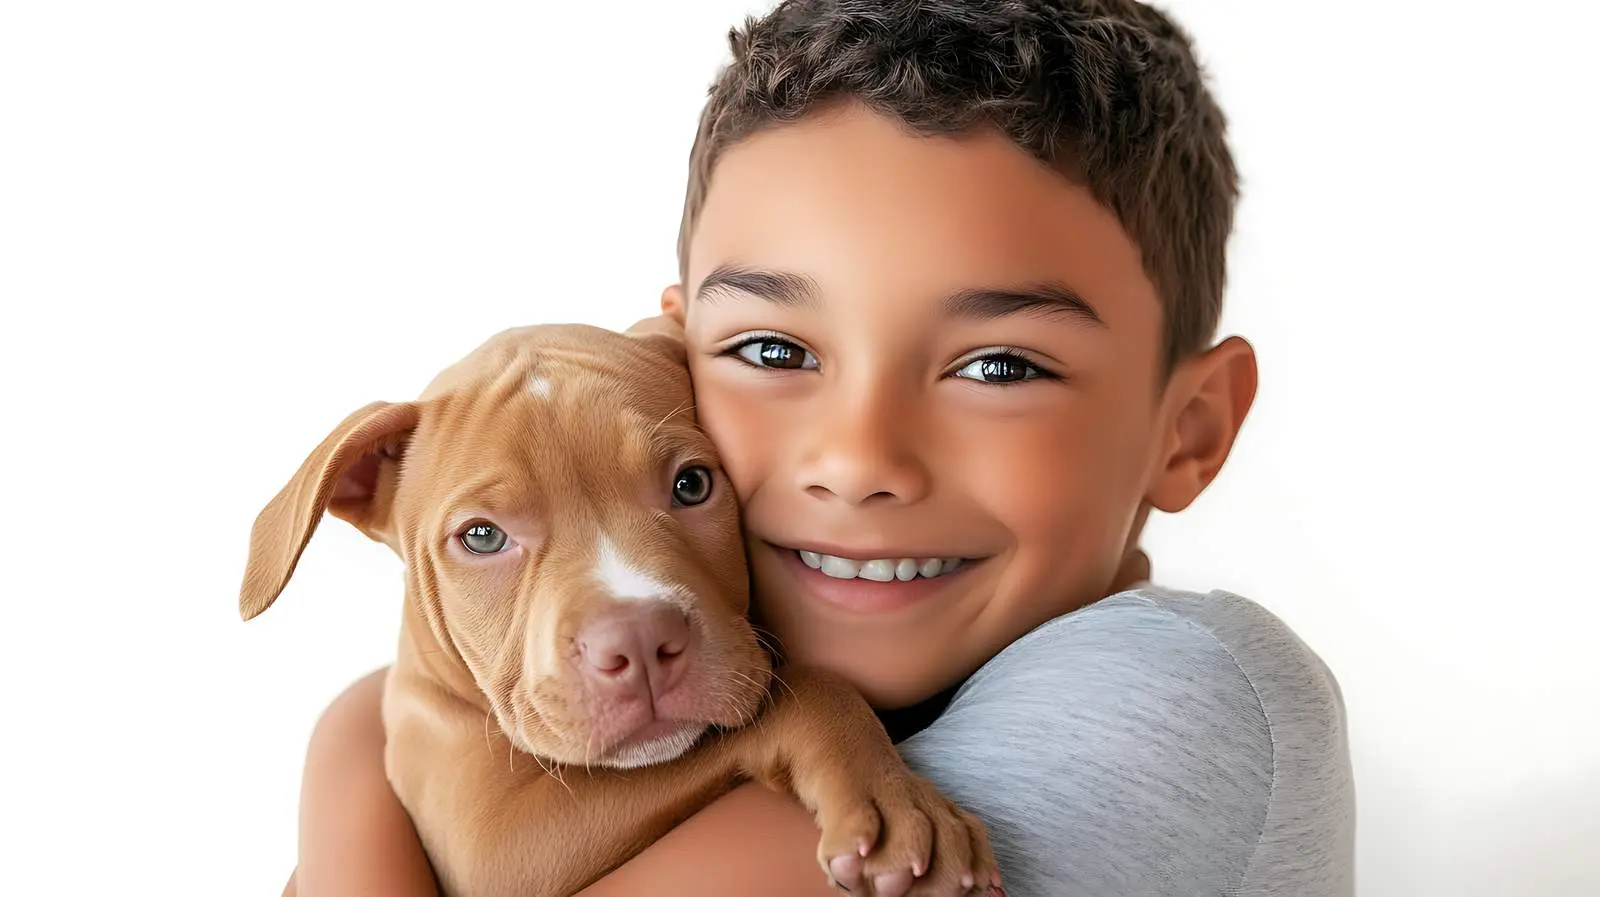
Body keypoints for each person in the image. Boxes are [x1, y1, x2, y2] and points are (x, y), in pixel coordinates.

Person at [286, 1, 1355, 894]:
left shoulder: (1163, 701)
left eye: (997, 366)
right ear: (683, 352)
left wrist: (355, 766)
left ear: (1189, 430)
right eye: (771, 348)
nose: (856, 460)